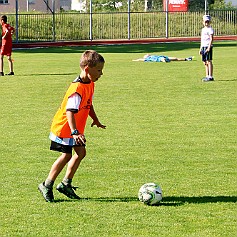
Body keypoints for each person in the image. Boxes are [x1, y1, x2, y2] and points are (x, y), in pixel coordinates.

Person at [38, 50, 106, 202]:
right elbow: (70, 111)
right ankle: (46, 185)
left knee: (81, 153)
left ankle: (65, 184)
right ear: (87, 69)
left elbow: (89, 104)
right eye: (99, 70)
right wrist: (75, 131)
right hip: (64, 128)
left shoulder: (90, 84)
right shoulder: (76, 89)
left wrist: (95, 119)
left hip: (75, 130)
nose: (101, 74)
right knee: (67, 155)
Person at [199, 15, 214, 82]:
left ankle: (210, 76)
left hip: (208, 46)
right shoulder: (203, 29)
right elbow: (202, 40)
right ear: (203, 22)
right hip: (203, 46)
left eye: (208, 22)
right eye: (205, 22)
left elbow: (211, 39)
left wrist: (209, 47)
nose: (206, 23)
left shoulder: (210, 29)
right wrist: (200, 48)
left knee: (209, 61)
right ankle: (207, 75)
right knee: (204, 62)